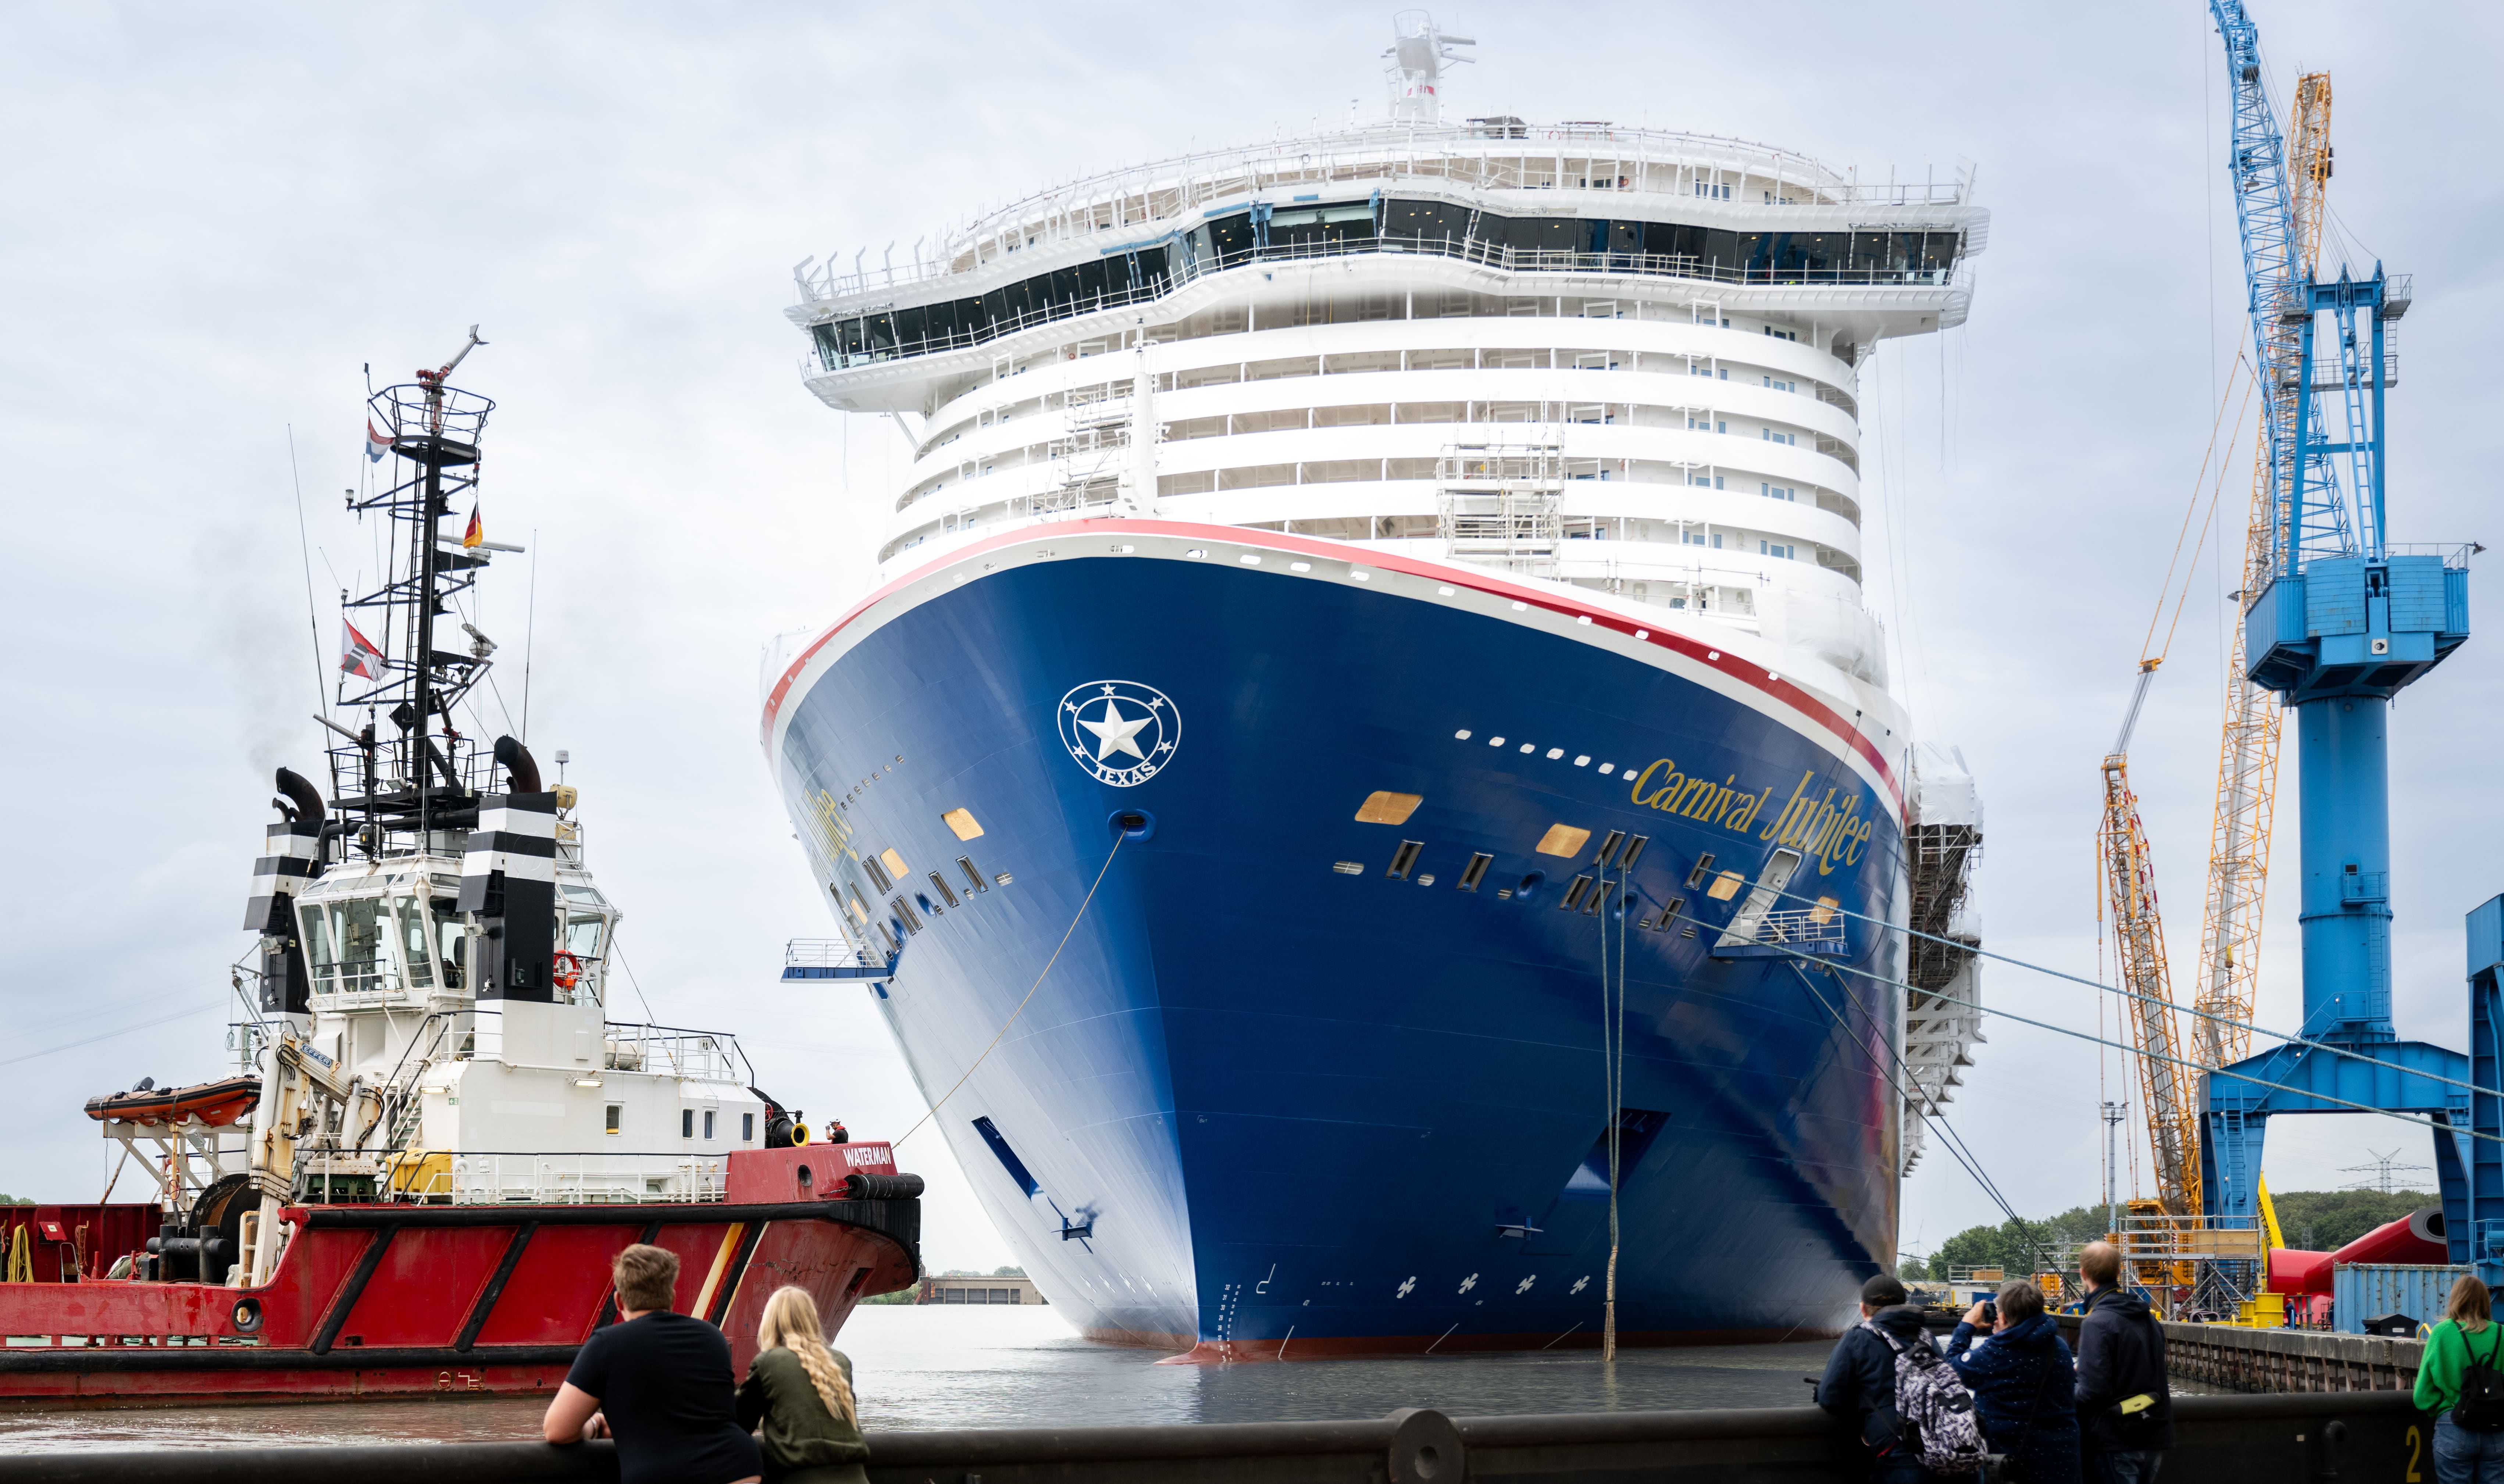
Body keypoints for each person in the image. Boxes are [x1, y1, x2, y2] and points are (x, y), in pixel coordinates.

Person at [543, 1243, 765, 1484]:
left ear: (619, 1301)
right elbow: (695, 1413)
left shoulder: (607, 1344)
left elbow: (558, 1430)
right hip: (739, 1469)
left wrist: (595, 1426)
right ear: (672, 1297)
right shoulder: (712, 1337)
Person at [1944, 1278, 2080, 1484]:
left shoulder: (1997, 1352)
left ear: (2004, 1317)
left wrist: (1966, 1327)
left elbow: (1952, 1371)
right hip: (2061, 1459)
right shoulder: (2058, 1346)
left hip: (2013, 1462)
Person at [738, 1285, 870, 1484]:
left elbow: (739, 1422)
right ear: (811, 1320)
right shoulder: (840, 1361)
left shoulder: (769, 1362)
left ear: (770, 1323)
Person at [1816, 1273, 1938, 1481]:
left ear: (1863, 1309)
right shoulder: (1927, 1337)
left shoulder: (1859, 1337)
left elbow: (1830, 1399)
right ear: (1904, 1305)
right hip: (1945, 1444)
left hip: (1899, 1451)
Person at [2073, 1240, 2174, 1483]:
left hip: (2117, 1440)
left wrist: (2069, 1382)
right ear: (2119, 1271)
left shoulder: (2097, 1323)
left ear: (2083, 1273)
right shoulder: (2147, 1318)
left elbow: (2092, 1392)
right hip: (2154, 1433)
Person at [2416, 1273, 2504, 1483]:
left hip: (2454, 1424)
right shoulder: (2502, 1333)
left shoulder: (2442, 1333)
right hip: (2497, 1427)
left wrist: (2443, 1409)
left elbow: (2422, 1394)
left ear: (2455, 1299)